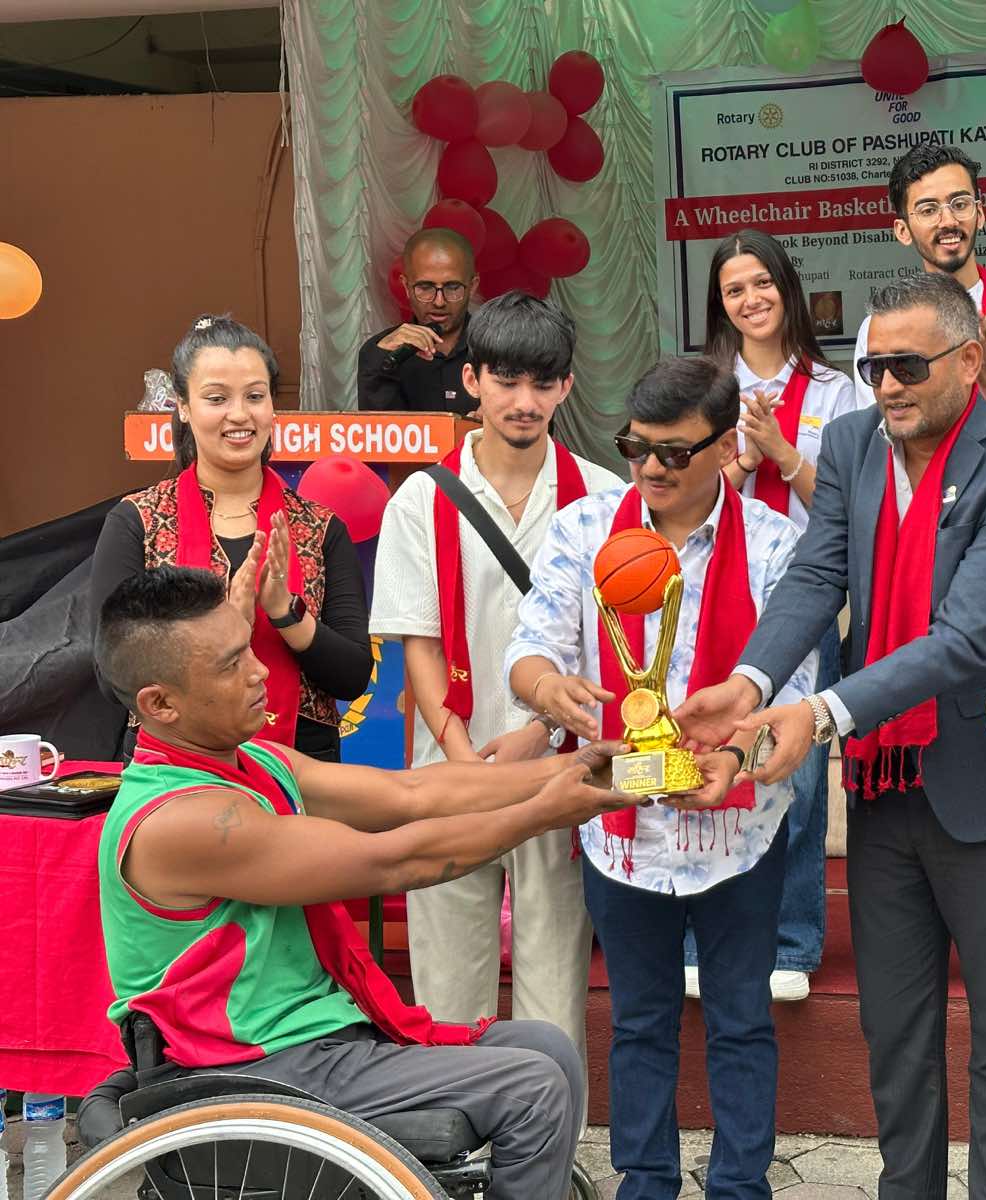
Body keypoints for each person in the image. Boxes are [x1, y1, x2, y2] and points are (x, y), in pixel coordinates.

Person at [678, 272, 986, 1200]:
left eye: (906, 365)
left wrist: (817, 715)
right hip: (886, 783)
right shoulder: (854, 442)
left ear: (969, 361)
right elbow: (816, 580)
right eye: (872, 366)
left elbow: (967, 637)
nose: (887, 385)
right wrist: (747, 684)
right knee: (896, 1029)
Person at [93, 563, 641, 1200]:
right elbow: (393, 862)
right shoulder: (182, 820)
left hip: (312, 1039)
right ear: (160, 703)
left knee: (548, 1048)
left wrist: (581, 770)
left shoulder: (254, 763)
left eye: (249, 648)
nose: (260, 671)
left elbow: (412, 792)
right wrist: (547, 812)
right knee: (532, 1087)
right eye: (230, 662)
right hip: (250, 1066)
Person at [504, 356, 815, 1200]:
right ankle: (646, 1183)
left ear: (724, 450)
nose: (649, 469)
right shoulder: (584, 528)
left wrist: (734, 758)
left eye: (674, 453)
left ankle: (741, 1185)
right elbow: (529, 649)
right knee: (639, 1024)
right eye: (635, 448)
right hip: (620, 832)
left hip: (740, 832)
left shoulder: (780, 544)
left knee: (741, 1022)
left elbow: (796, 694)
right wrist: (548, 688)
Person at [369, 292, 620, 1044]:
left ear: (567, 387)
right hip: (451, 765)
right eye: (506, 381)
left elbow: (604, 647)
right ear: (471, 379)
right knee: (448, 985)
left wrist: (537, 736)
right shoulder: (419, 498)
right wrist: (458, 756)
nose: (525, 401)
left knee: (554, 981)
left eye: (543, 383)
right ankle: (454, 1153)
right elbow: (418, 641)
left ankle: (546, 1149)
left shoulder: (604, 496)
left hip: (560, 767)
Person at [91, 316, 371, 763]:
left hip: (303, 767)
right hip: (174, 769)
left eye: (255, 397)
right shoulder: (137, 522)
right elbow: (112, 676)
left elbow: (353, 676)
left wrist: (286, 613)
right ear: (183, 405)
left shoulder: (320, 528)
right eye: (217, 398)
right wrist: (222, 625)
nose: (240, 415)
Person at [704, 228, 857, 1003]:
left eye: (762, 284)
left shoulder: (839, 393)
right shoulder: (703, 389)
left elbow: (852, 512)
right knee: (708, 767)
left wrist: (785, 454)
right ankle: (706, 941)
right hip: (715, 601)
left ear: (787, 290)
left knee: (794, 781)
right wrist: (739, 458)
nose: (752, 300)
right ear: (720, 304)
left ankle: (793, 942)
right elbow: (681, 497)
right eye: (735, 290)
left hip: (800, 605)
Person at [850, 144, 986, 456]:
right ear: (902, 230)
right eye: (928, 210)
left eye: (959, 204)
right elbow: (883, 445)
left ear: (979, 215)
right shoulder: (879, 329)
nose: (948, 221)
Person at [358, 228, 480, 415]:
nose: (439, 301)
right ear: (406, 287)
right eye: (425, 287)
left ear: (472, 286)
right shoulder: (381, 352)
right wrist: (380, 359)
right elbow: (377, 434)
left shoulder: (499, 347)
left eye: (453, 287)